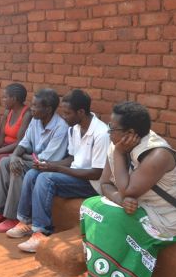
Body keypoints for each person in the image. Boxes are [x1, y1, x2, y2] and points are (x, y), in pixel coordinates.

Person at [80, 102, 176, 277]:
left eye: (112, 128)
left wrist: (118, 154)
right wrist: (118, 199)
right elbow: (105, 184)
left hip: (166, 219)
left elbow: (128, 191)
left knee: (111, 218)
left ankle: (120, 274)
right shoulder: (117, 143)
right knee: (90, 206)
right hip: (138, 207)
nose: (109, 132)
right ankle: (102, 271)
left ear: (130, 133)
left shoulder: (157, 154)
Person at [11, 89, 109, 253]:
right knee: (33, 174)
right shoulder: (74, 128)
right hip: (75, 176)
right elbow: (71, 159)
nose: (63, 117)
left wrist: (56, 168)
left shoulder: (101, 133)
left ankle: (41, 231)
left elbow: (96, 173)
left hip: (92, 184)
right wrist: (48, 164)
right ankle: (25, 221)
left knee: (46, 179)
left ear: (81, 112)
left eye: (67, 113)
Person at [0, 88, 69, 233]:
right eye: (32, 105)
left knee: (17, 167)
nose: (31, 109)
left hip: (47, 166)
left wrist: (19, 158)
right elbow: (24, 143)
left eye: (35, 106)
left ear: (48, 109)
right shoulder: (36, 121)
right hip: (34, 160)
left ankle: (13, 217)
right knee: (5, 162)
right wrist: (15, 155)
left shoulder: (60, 128)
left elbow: (45, 159)